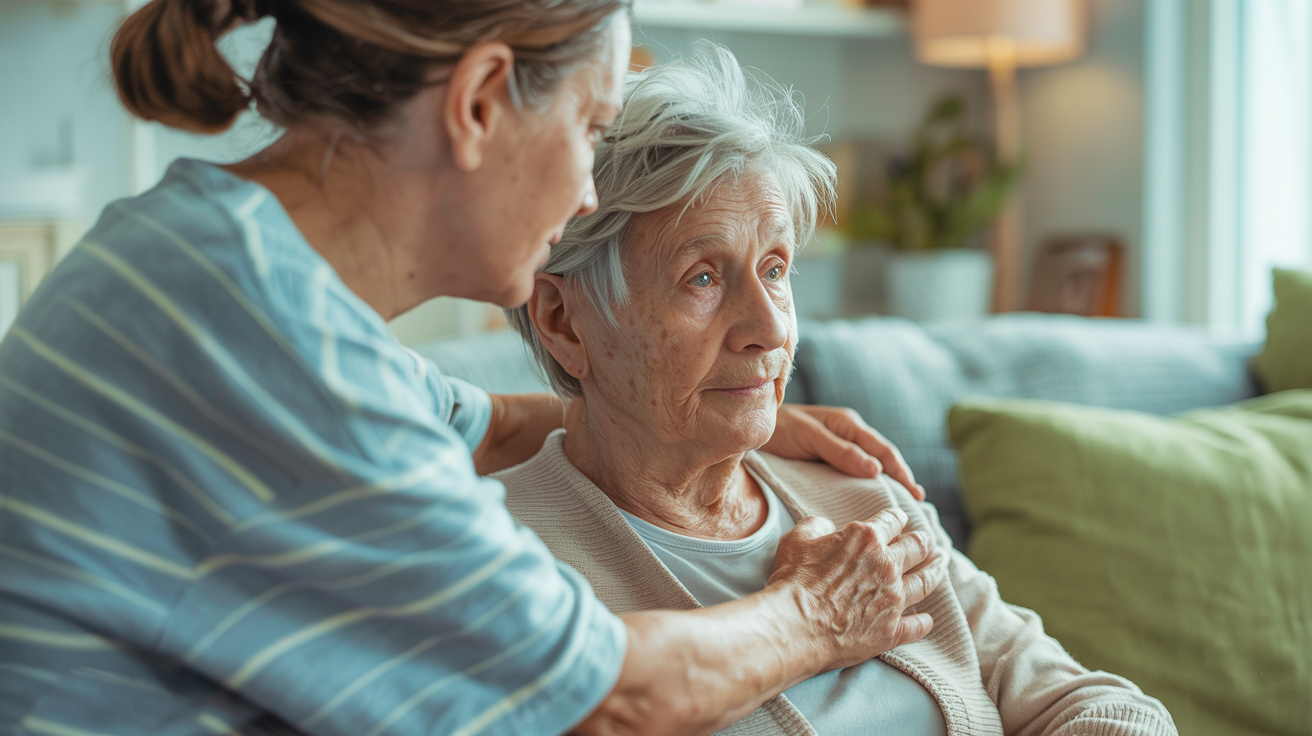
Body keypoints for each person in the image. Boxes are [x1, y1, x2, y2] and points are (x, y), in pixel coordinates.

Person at [0, 2, 948, 735]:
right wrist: (819, 613)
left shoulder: (208, 260)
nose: (588, 194)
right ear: (480, 103)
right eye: (591, 128)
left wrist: (693, 410)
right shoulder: (267, 344)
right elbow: (601, 701)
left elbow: (486, 423)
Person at [499, 44, 1179, 736]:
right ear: (562, 322)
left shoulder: (857, 491)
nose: (770, 328)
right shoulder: (494, 560)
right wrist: (810, 617)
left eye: (775, 268)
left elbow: (1098, 705)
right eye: (701, 277)